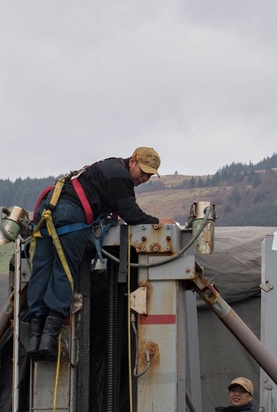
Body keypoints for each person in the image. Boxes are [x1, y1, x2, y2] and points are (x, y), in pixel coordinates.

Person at [26, 147, 174, 360]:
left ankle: (34, 337)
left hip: (48, 210)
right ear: (132, 161)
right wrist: (159, 223)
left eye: (149, 175)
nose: (144, 177)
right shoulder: (120, 176)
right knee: (64, 271)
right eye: (143, 171)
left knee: (42, 271)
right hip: (70, 215)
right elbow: (131, 214)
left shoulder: (109, 167)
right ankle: (49, 337)